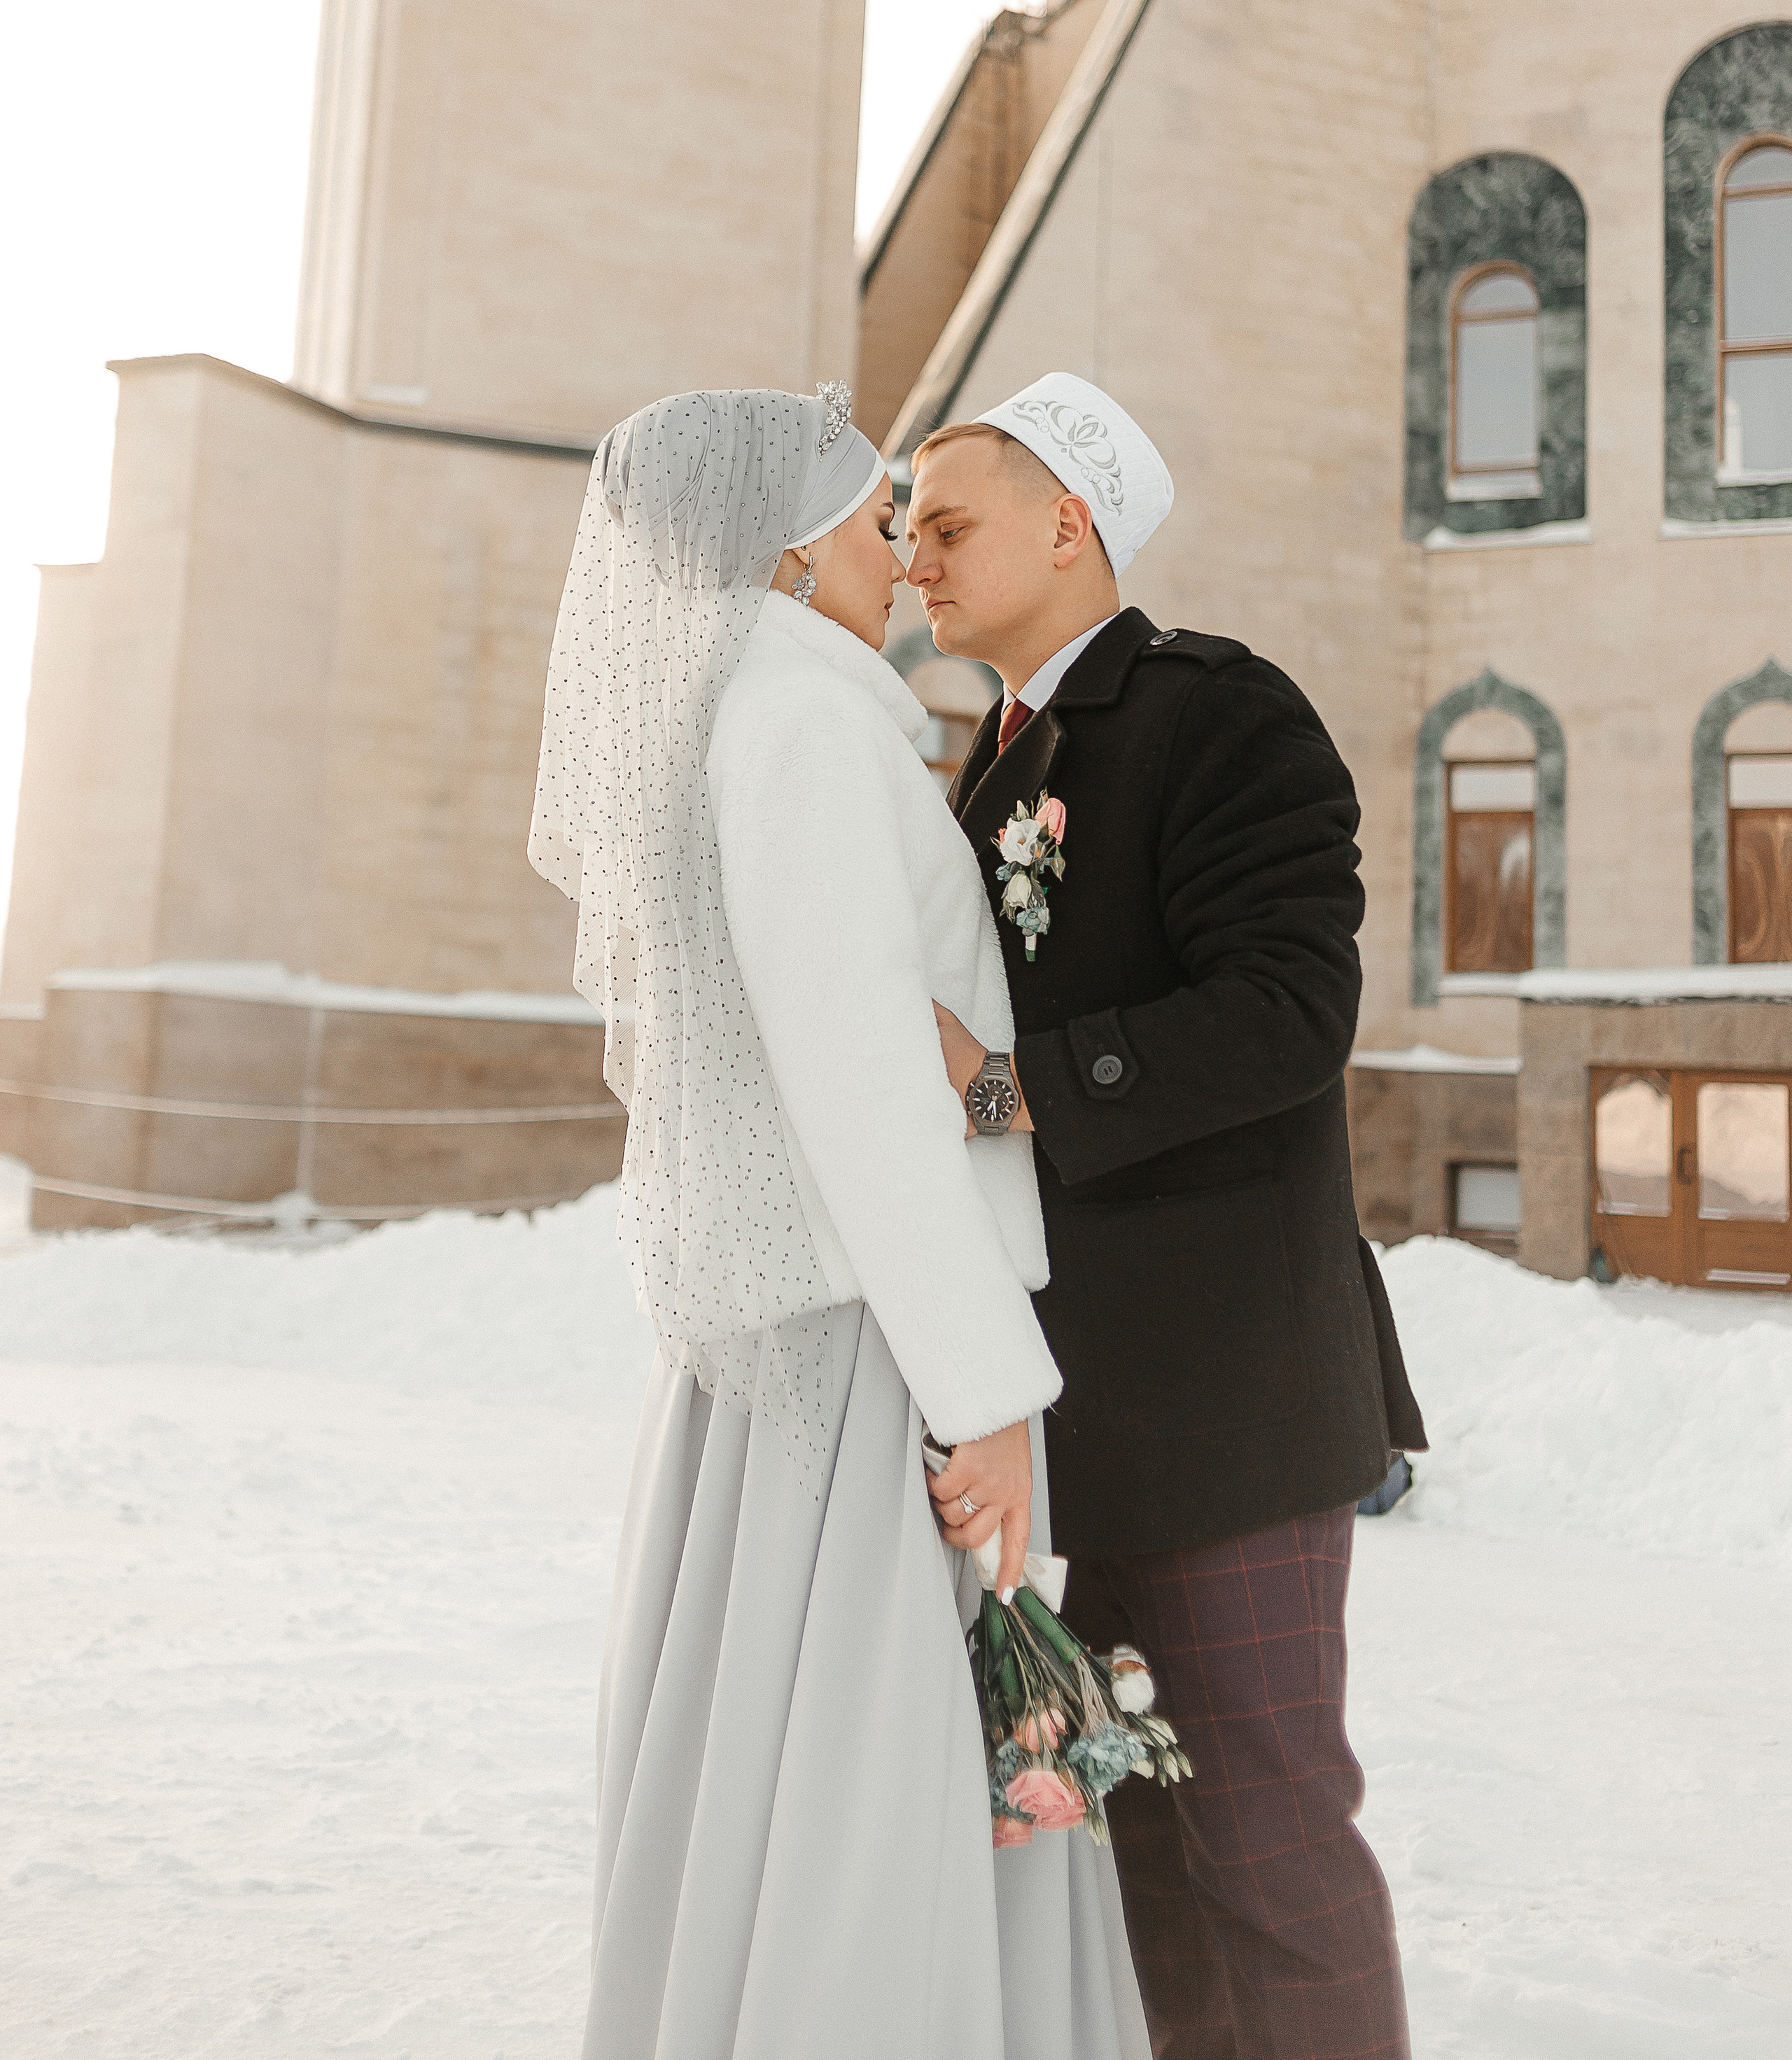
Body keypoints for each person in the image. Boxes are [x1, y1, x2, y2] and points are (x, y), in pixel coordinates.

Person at [528, 386, 1149, 2060]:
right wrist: (990, 1391)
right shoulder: (797, 729)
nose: (896, 549)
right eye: (873, 514)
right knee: (870, 1776)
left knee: (807, 1767)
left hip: (825, 1331)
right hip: (872, 1339)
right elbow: (868, 1101)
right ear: (790, 546)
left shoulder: (763, 713)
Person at [907, 373, 1428, 2060]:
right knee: (1135, 1825)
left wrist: (996, 1086)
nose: (912, 554)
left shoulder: (1218, 713)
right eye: (905, 528)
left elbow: (1288, 1014)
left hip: (1231, 1396)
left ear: (1068, 524)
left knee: (1268, 1832)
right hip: (1087, 1417)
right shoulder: (976, 767)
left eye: (947, 520)